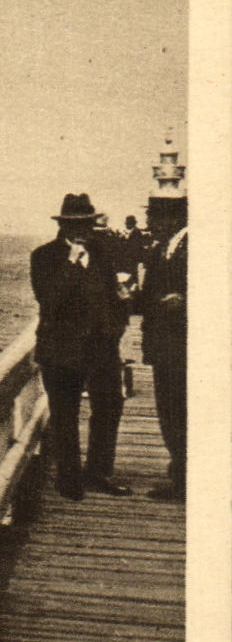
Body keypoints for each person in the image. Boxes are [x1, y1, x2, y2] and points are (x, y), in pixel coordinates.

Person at [30, 192, 132, 500]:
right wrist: (72, 263)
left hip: (102, 348)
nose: (80, 231)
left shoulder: (101, 253)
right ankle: (69, 480)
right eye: (73, 224)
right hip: (61, 350)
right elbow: (49, 301)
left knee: (109, 406)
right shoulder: (44, 256)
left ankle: (99, 473)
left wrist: (117, 321)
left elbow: (114, 295)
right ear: (61, 225)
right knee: (65, 414)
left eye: (86, 224)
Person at [136, 195, 186, 501]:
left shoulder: (194, 246)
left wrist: (185, 302)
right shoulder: (161, 250)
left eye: (153, 217)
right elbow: (148, 296)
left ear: (172, 219)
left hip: (183, 347)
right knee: (168, 410)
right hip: (164, 347)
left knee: (181, 411)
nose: (148, 224)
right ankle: (179, 473)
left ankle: (184, 479)